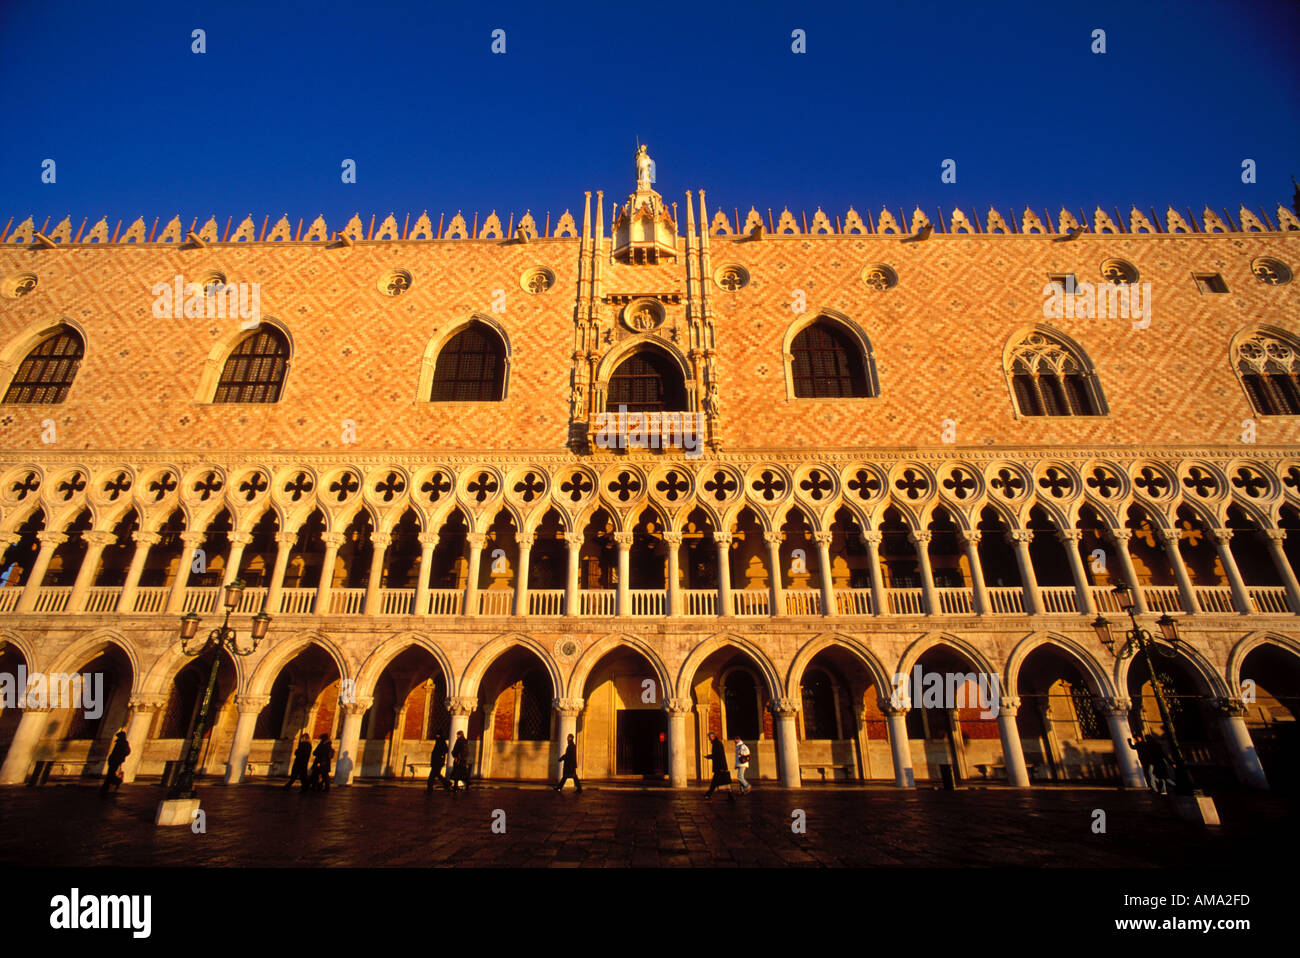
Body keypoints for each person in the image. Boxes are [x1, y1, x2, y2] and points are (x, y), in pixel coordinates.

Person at [704, 731, 734, 802]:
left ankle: (708, 794)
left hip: (720, 767)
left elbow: (719, 756)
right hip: (720, 766)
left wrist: (710, 757)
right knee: (722, 781)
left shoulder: (717, 744)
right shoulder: (717, 743)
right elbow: (717, 755)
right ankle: (729, 796)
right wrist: (709, 756)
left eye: (709, 737)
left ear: (712, 737)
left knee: (716, 781)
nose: (709, 739)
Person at [99, 731, 130, 796]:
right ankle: (108, 785)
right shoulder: (120, 742)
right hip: (114, 760)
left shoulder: (123, 743)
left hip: (116, 760)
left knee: (110, 773)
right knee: (110, 773)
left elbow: (127, 752)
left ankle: (114, 783)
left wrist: (120, 757)